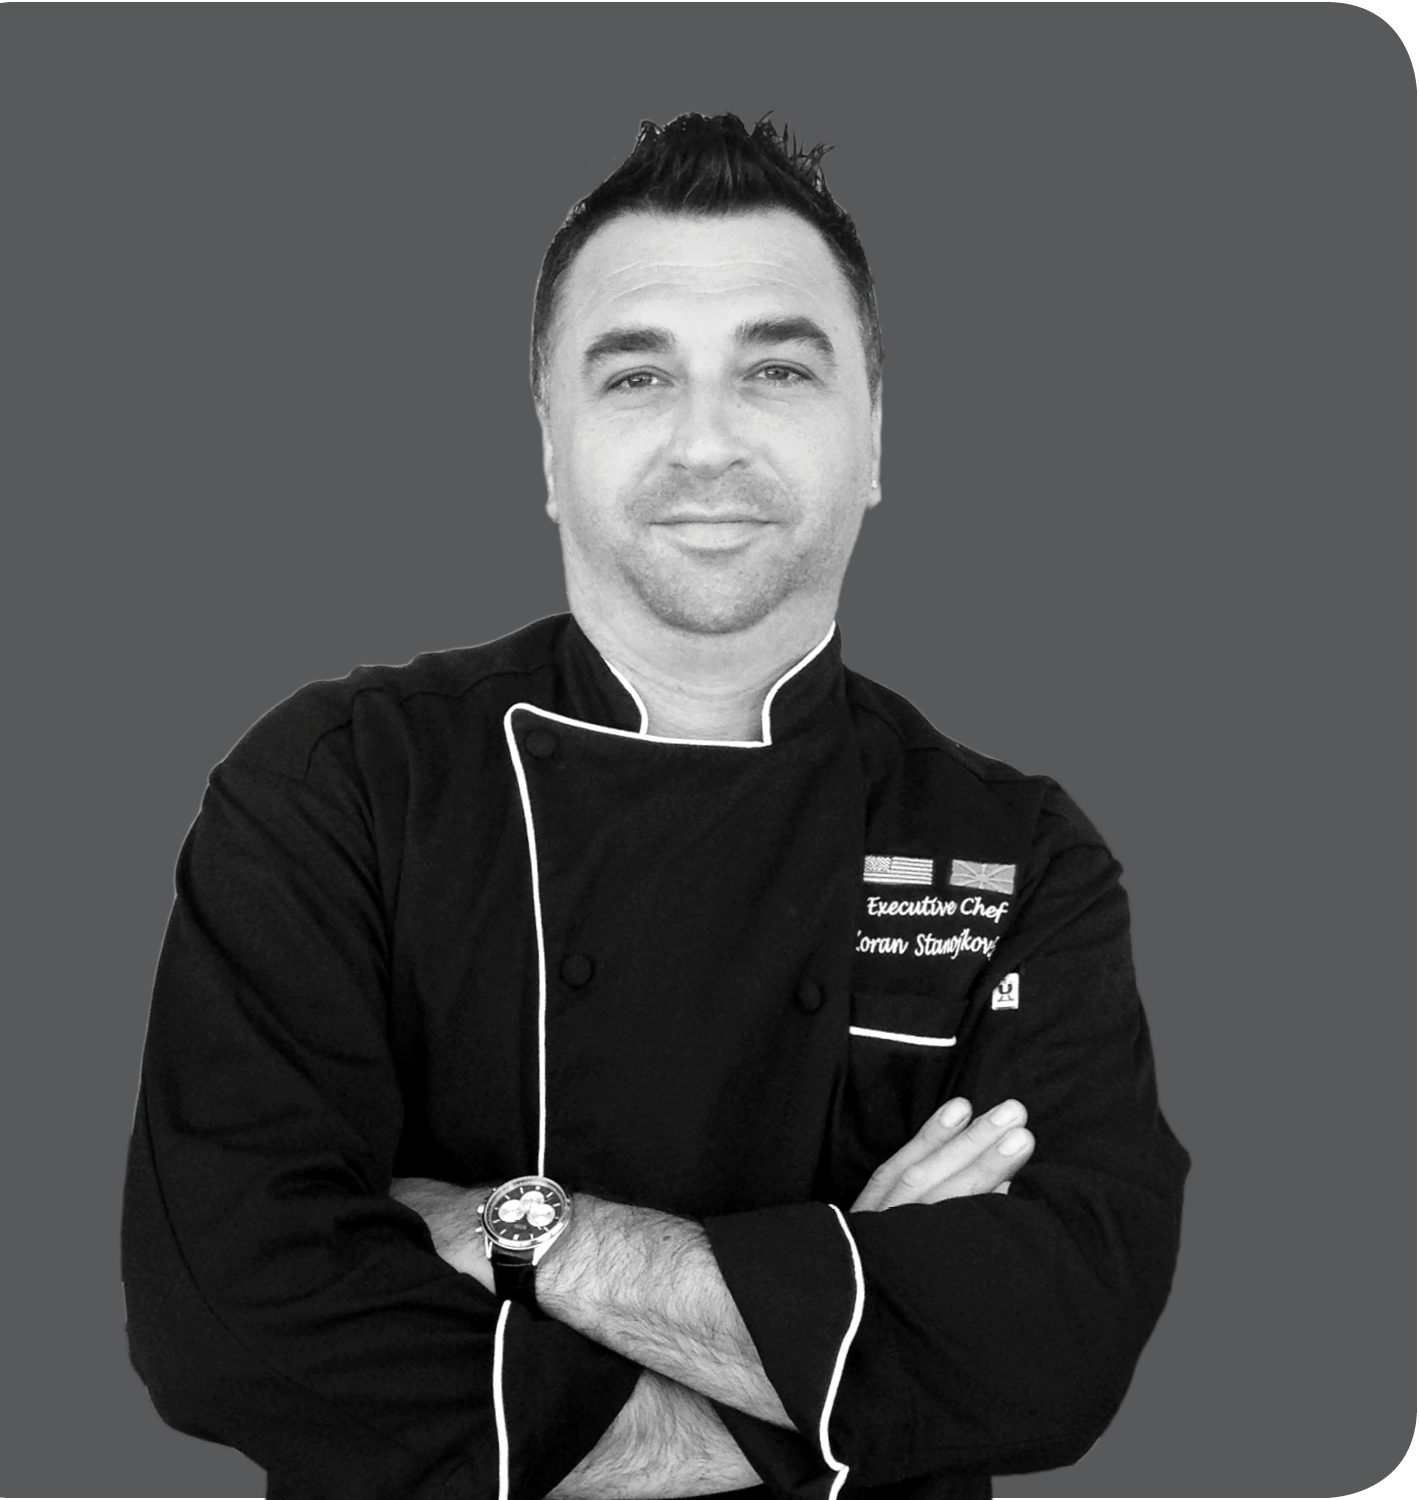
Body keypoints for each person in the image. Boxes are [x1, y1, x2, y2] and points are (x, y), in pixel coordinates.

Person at [122, 112, 1189, 1500]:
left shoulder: (1017, 850)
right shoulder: (341, 786)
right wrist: (839, 1380)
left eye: (777, 370)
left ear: (874, 436)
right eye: (637, 376)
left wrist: (528, 1233)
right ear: (548, 446)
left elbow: (1055, 1345)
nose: (706, 441)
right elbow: (228, 1320)